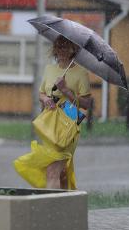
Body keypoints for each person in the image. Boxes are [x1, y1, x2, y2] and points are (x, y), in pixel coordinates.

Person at [14, 36, 92, 190]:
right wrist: (46, 100)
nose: (62, 50)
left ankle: (52, 208)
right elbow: (41, 93)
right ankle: (65, 205)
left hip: (68, 124)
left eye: (66, 47)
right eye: (59, 47)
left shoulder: (81, 73)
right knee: (60, 173)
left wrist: (66, 91)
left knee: (52, 170)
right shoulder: (49, 69)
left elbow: (86, 103)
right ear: (54, 49)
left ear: (73, 49)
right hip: (50, 124)